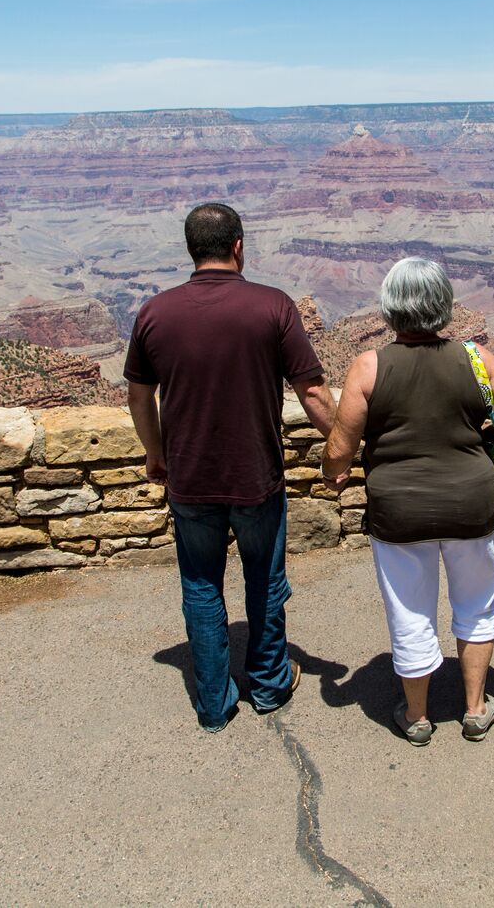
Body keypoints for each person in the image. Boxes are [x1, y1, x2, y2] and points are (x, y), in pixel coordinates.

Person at [125, 203, 337, 733]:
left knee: (200, 585)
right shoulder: (272, 306)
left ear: (191, 249)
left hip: (189, 477)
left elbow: (138, 395)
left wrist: (155, 452)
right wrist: (343, 442)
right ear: (238, 245)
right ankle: (267, 685)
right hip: (256, 475)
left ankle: (214, 703)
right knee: (264, 578)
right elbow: (311, 391)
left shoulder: (155, 312)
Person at [321, 257, 494, 746]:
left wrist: (334, 474)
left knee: (409, 611)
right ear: (442, 306)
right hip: (470, 504)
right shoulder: (477, 358)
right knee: (476, 605)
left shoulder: (369, 365)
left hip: (398, 511)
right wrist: (487, 433)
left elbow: (340, 448)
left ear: (389, 310)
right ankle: (476, 709)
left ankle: (416, 717)